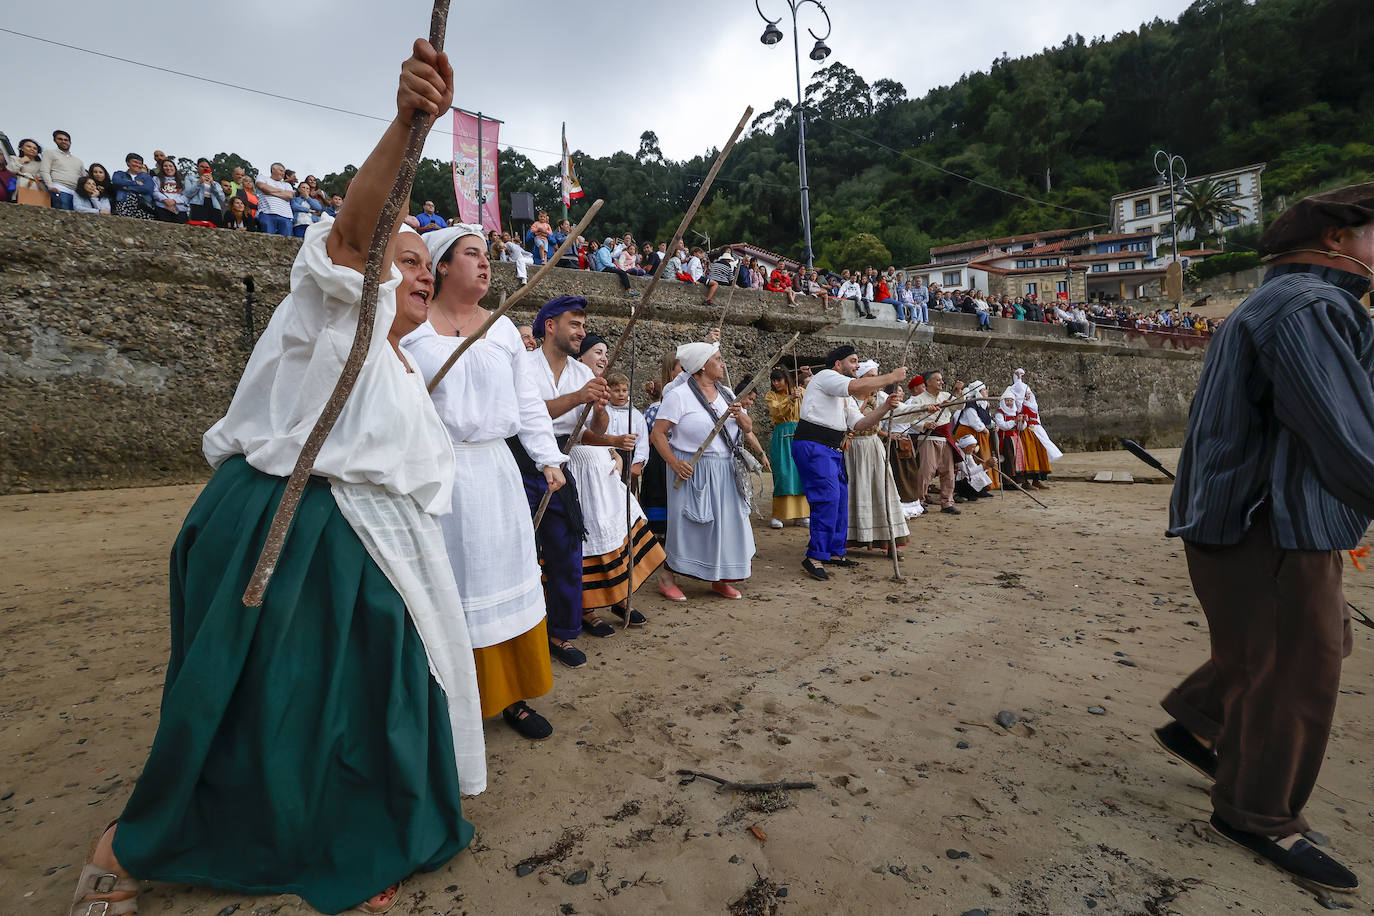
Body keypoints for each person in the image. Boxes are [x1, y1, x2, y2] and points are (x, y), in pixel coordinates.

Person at [67, 39, 483, 916]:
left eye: (421, 264)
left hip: (370, 544)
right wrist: (409, 126)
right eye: (402, 260)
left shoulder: (405, 365)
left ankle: (350, 832)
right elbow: (356, 235)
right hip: (290, 525)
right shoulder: (340, 302)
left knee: (366, 700)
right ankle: (136, 844)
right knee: (266, 701)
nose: (408, 274)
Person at [1156, 182, 1374, 894]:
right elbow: (1346, 435)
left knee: (1307, 640)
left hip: (1256, 515)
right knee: (1294, 668)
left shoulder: (1291, 302)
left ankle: (1198, 722)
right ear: (1338, 239)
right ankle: (1255, 814)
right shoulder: (1309, 308)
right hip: (1268, 518)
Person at [403, 223, 564, 741]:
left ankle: (509, 696)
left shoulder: (499, 329)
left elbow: (527, 405)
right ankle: (444, 698)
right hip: (434, 471)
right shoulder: (410, 328)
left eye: (487, 254)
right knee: (445, 585)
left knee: (499, 578)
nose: (485, 262)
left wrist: (548, 457)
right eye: (471, 253)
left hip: (494, 472)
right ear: (442, 265)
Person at [523, 296, 611, 668]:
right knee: (520, 550)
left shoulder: (581, 372)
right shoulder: (522, 366)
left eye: (583, 325)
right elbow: (524, 415)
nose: (582, 331)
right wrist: (577, 397)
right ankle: (522, 631)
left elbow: (596, 429)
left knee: (566, 548)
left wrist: (600, 409)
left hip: (561, 459)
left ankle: (561, 631)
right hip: (520, 458)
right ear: (550, 326)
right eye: (574, 324)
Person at [791, 346, 907, 580]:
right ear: (837, 364)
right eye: (853, 361)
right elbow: (855, 386)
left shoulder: (846, 398)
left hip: (832, 450)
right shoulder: (826, 377)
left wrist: (885, 407)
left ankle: (834, 551)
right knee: (827, 499)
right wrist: (892, 377)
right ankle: (815, 556)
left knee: (841, 499)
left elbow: (860, 424)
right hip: (814, 446)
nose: (856, 366)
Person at [651, 341, 755, 598]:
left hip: (725, 468)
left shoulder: (727, 393)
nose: (723, 363)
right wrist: (675, 463)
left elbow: (749, 427)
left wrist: (740, 416)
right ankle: (667, 577)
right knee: (687, 523)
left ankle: (720, 577)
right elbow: (658, 434)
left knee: (727, 524)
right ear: (702, 367)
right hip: (692, 467)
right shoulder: (679, 396)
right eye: (717, 359)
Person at [574, 338, 664, 625]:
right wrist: (613, 443)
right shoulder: (569, 383)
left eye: (605, 353)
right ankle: (587, 607)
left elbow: (598, 429)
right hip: (579, 467)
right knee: (590, 534)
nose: (604, 357)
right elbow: (573, 432)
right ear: (580, 357)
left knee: (620, 529)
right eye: (597, 352)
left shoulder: (599, 387)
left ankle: (620, 596)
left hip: (603, 469)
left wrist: (614, 452)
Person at [844, 361, 909, 550]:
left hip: (873, 447)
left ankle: (888, 539)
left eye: (876, 376)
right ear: (860, 379)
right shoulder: (848, 397)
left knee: (881, 490)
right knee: (853, 492)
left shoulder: (880, 397)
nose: (876, 380)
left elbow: (902, 412)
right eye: (870, 377)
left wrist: (927, 409)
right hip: (852, 450)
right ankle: (851, 537)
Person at [895, 370, 961, 514]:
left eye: (942, 380)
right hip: (929, 437)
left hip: (945, 438)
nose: (941, 382)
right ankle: (919, 501)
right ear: (928, 382)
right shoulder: (919, 399)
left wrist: (959, 391)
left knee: (948, 471)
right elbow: (911, 419)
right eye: (937, 380)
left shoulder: (946, 396)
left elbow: (959, 406)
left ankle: (947, 502)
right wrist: (924, 425)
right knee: (926, 471)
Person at [765, 366, 810, 529]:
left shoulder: (800, 392)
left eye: (779, 380)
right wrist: (790, 399)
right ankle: (779, 514)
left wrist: (806, 382)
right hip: (781, 434)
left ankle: (802, 514)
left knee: (800, 472)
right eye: (773, 380)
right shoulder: (771, 395)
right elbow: (776, 411)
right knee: (783, 473)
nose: (776, 383)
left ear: (786, 378)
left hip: (800, 434)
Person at [1010, 368, 1062, 488]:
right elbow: (1018, 391)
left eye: (1029, 394)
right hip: (1025, 431)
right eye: (1025, 395)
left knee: (1040, 452)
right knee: (1029, 455)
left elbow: (1037, 417)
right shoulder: (1019, 405)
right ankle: (1025, 481)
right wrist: (1018, 378)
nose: (1028, 396)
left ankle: (1037, 480)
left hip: (1036, 431)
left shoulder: (1033, 405)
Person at [887, 379, 926, 517]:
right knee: (900, 476)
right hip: (894, 445)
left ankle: (911, 504)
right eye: (898, 391)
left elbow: (913, 421)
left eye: (901, 391)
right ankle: (900, 507)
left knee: (910, 474)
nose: (902, 393)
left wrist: (925, 424)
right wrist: (889, 435)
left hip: (905, 442)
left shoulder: (903, 405)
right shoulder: (888, 407)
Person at [953, 380, 999, 494]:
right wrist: (984, 430)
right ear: (978, 392)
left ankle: (983, 486)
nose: (986, 392)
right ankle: (972, 489)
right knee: (971, 460)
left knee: (982, 456)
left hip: (979, 434)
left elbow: (986, 419)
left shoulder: (983, 404)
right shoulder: (970, 405)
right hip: (968, 434)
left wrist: (993, 425)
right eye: (983, 390)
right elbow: (974, 422)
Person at [40, 129, 83, 210]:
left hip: (76, 194)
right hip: (59, 189)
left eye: (66, 140)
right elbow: (44, 170)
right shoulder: (49, 153)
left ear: (70, 142)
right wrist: (50, 186)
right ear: (54, 140)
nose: (63, 141)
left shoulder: (78, 161)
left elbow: (83, 178)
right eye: (60, 139)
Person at [995, 388, 1028, 490]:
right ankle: (1007, 482)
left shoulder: (1015, 412)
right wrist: (1015, 421)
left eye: (1011, 400)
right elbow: (1003, 426)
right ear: (1003, 401)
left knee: (1017, 459)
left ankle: (1017, 480)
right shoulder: (1000, 413)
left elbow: (1020, 428)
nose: (1009, 403)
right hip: (1006, 440)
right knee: (1008, 459)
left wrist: (1022, 422)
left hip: (1015, 438)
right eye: (1007, 400)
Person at [111, 153, 157, 220]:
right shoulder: (119, 174)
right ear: (128, 163)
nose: (137, 165)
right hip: (124, 203)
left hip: (143, 205)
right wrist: (135, 183)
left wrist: (127, 187)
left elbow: (148, 189)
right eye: (135, 162)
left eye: (140, 163)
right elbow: (117, 181)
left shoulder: (146, 177)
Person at [255, 162, 295, 237]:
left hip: (286, 215)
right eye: (281, 170)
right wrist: (282, 191)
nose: (283, 173)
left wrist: (270, 192)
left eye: (284, 171)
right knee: (268, 238)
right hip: (267, 212)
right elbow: (263, 187)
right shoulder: (262, 177)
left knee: (287, 240)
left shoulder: (287, 184)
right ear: (273, 169)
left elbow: (289, 195)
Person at [185, 159, 226, 224]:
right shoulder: (190, 178)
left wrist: (213, 184)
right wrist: (199, 182)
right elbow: (188, 194)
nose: (204, 169)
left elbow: (222, 198)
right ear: (197, 168)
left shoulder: (216, 183)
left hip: (214, 206)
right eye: (202, 166)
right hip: (197, 205)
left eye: (207, 167)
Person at [6, 138, 45, 205]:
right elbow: (11, 170)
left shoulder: (42, 164)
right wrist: (21, 161)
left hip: (39, 190)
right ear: (21, 148)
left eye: (35, 148)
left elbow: (42, 176)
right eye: (28, 146)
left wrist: (22, 174)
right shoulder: (15, 159)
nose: (32, 149)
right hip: (21, 189)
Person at [151, 158, 189, 223]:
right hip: (162, 209)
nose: (168, 168)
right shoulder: (156, 179)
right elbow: (155, 191)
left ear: (175, 168)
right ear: (162, 168)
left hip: (179, 211)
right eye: (165, 166)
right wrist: (165, 200)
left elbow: (187, 195)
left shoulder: (182, 181)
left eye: (170, 166)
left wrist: (174, 201)